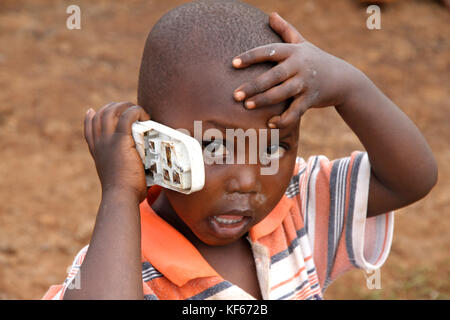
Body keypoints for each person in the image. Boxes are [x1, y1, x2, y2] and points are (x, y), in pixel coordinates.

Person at [42, 0, 437, 300]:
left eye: (273, 148)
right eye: (214, 146)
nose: (248, 181)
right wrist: (117, 194)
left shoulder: (297, 211)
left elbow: (410, 180)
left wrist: (350, 86)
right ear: (153, 143)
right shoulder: (120, 261)